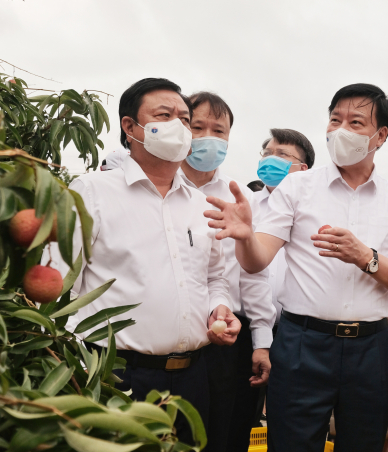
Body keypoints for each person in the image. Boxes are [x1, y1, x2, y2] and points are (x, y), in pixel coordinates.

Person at [204, 83, 388, 452]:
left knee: (364, 444)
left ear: (380, 135)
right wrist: (244, 237)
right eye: (334, 119)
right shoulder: (298, 188)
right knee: (290, 443)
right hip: (302, 343)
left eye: (355, 122)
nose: (340, 130)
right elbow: (257, 260)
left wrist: (365, 257)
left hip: (370, 348)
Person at [58, 78, 241, 445]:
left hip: (191, 378)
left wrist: (220, 309)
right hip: (115, 374)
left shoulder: (201, 204)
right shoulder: (91, 193)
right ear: (130, 127)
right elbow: (60, 288)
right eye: (164, 115)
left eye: (184, 118)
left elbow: (215, 278)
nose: (179, 125)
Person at [177, 91, 276, 452]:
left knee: (222, 435)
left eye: (219, 131)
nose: (208, 138)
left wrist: (262, 341)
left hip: (228, 337)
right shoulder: (160, 188)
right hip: (171, 336)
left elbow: (254, 275)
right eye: (198, 127)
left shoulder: (238, 199)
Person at [253, 128, 315, 325]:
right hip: (243, 326)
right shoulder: (246, 205)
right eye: (267, 153)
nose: (271, 158)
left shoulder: (316, 212)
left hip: (298, 329)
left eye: (281, 154)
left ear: (303, 169)